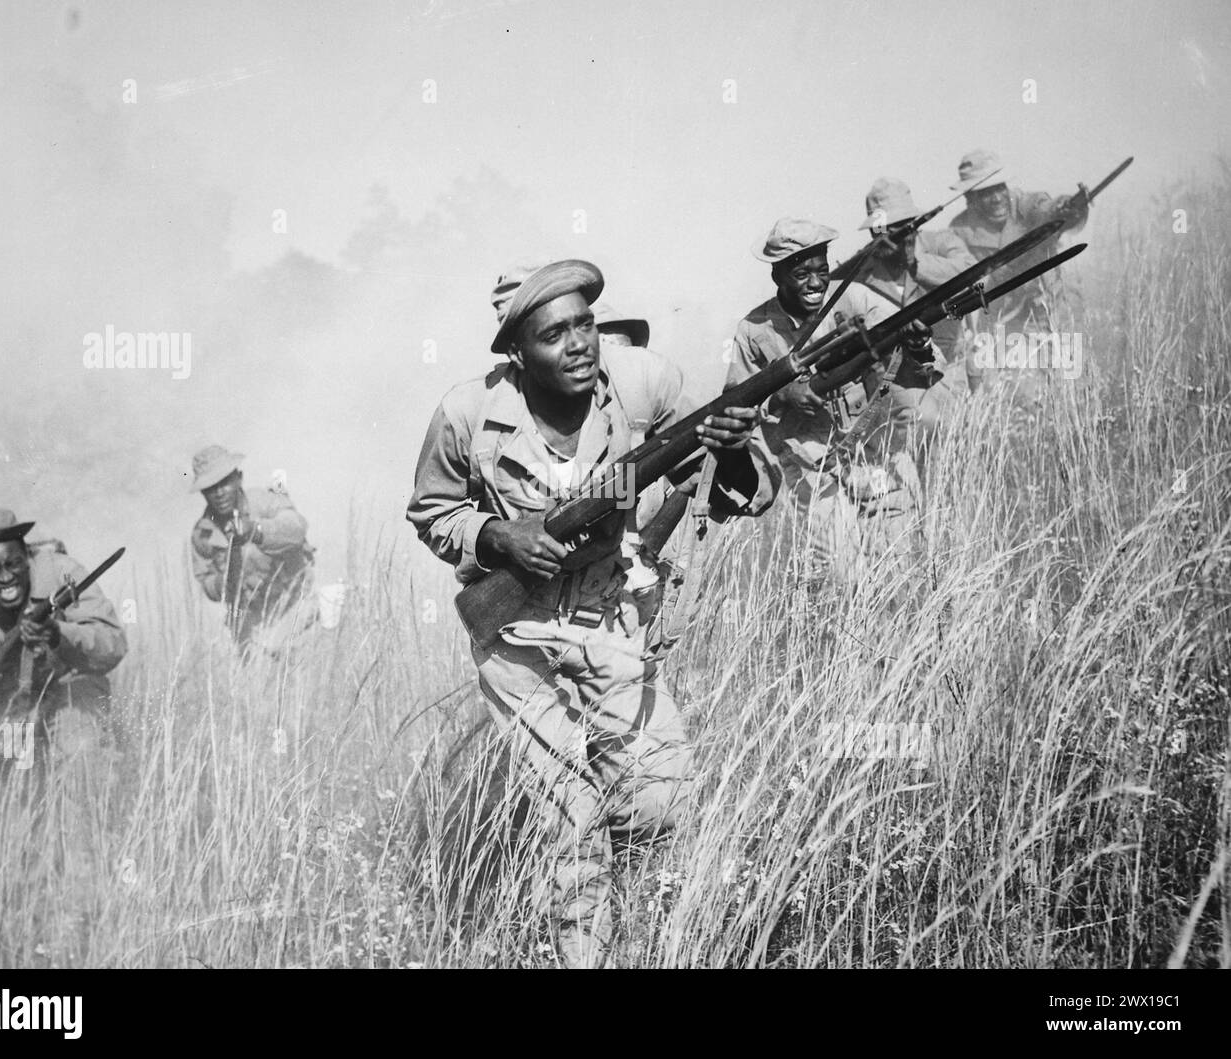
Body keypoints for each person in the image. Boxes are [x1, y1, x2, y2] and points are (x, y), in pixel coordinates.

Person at [408, 259, 778, 967]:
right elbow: (431, 510)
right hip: (518, 640)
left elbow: (734, 491)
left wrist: (727, 453)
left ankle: (654, 937)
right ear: (519, 352)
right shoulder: (467, 414)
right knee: (571, 830)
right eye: (556, 334)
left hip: (614, 618)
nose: (579, 343)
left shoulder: (644, 386)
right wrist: (497, 534)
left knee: (658, 804)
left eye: (585, 324)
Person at [726, 217, 947, 585]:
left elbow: (921, 370)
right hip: (811, 465)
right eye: (801, 274)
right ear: (777, 276)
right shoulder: (754, 329)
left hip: (877, 451)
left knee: (903, 569)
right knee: (840, 577)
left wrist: (917, 346)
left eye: (822, 270)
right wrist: (782, 394)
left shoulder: (857, 299)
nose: (815, 283)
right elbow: (735, 405)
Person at [0, 508, 126, 760]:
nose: (5, 577)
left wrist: (58, 634)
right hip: (5, 696)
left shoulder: (63, 573)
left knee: (81, 752)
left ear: (27, 555)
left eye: (13, 564)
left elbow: (113, 644)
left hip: (69, 686)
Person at [947, 148, 1090, 394]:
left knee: (1068, 383)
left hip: (1050, 307)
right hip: (1002, 319)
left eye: (998, 188)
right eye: (984, 193)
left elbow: (1050, 210)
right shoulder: (961, 229)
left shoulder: (1027, 205)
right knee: (1013, 390)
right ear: (970, 198)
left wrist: (1068, 207)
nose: (996, 198)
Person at [188, 445, 316, 654]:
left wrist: (255, 531)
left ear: (238, 478)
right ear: (203, 492)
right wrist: (228, 575)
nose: (219, 493)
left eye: (224, 483)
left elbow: (296, 528)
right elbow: (209, 586)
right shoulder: (203, 534)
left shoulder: (265, 502)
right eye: (211, 488)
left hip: (295, 609)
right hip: (249, 625)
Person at [856, 177, 976, 366]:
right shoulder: (862, 273)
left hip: (950, 366)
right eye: (886, 229)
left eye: (904, 225)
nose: (899, 236)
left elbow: (973, 272)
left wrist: (915, 263)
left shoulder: (940, 244)